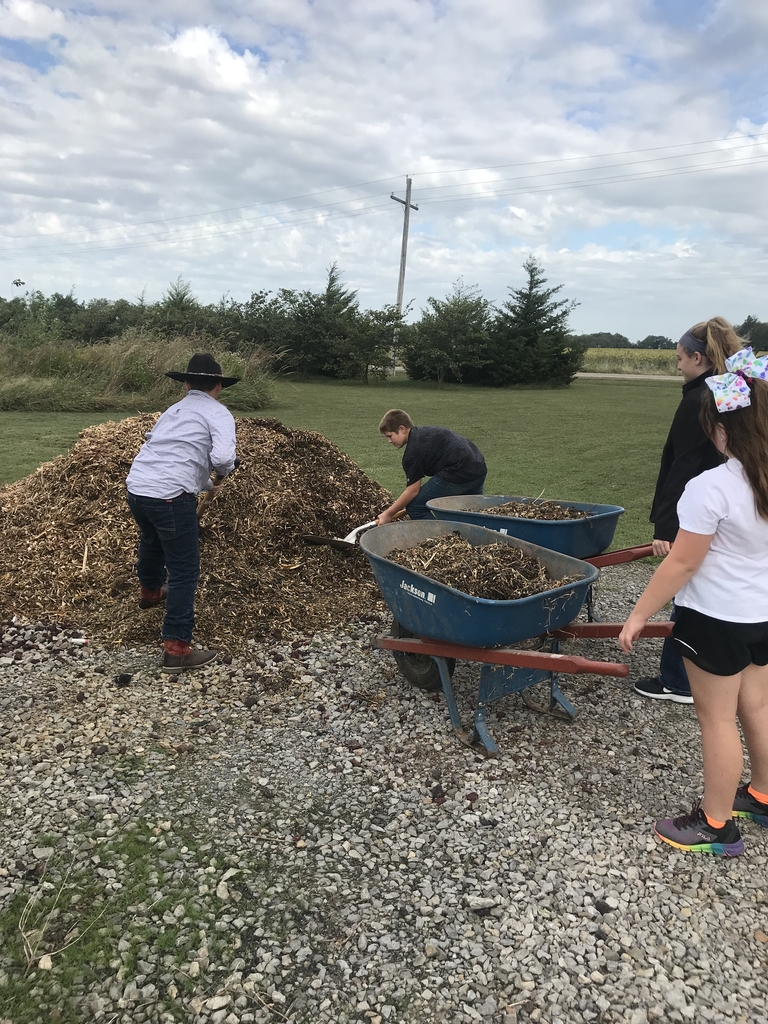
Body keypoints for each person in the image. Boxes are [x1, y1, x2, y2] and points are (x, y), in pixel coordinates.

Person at [619, 345, 768, 857]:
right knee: (759, 705)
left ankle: (716, 825)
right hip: (762, 616)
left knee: (718, 720)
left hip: (715, 620)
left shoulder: (711, 487)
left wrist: (639, 614)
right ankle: (764, 795)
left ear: (723, 430)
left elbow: (681, 564)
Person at [634, 317, 743, 704]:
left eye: (680, 358)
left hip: (703, 507)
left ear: (698, 358)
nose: (677, 365)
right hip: (736, 501)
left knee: (687, 587)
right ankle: (734, 661)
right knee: (718, 580)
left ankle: (677, 680)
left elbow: (681, 465)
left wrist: (666, 524)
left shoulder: (699, 400)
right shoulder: (730, 388)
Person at [126, 353, 239, 673]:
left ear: (187, 383)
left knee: (150, 540)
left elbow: (172, 453)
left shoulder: (173, 411)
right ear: (218, 386)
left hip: (138, 488)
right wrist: (223, 471)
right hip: (171, 498)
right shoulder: (218, 414)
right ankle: (176, 649)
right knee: (185, 570)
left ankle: (150, 591)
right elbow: (223, 458)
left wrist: (205, 483)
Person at [376, 409, 487, 522]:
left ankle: (443, 536)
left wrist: (388, 514)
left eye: (390, 436)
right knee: (472, 511)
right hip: (479, 467)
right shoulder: (426, 432)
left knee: (415, 507)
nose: (389, 441)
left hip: (458, 472)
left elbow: (413, 490)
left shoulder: (413, 452)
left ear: (402, 429)